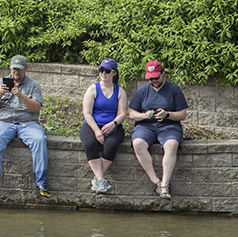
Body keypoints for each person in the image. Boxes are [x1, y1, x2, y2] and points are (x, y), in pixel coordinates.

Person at [0, 54, 49, 198]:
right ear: (10, 68)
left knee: (39, 140)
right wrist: (0, 94)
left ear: (26, 69)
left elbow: (36, 108)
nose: (16, 73)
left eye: (19, 70)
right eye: (14, 69)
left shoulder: (34, 85)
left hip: (28, 123)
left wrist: (20, 95)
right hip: (3, 121)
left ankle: (41, 182)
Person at [128, 60, 188, 200]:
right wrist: (144, 115)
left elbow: (182, 115)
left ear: (163, 73)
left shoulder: (174, 89)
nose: (153, 81)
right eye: (150, 78)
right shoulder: (142, 90)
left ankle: (165, 185)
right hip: (145, 126)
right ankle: (156, 181)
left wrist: (167, 114)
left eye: (156, 77)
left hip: (169, 126)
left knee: (171, 145)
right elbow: (132, 114)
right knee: (137, 144)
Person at [80, 58, 127, 194]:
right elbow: (87, 113)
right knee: (89, 144)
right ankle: (101, 179)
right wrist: (96, 130)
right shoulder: (93, 89)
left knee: (112, 144)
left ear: (114, 73)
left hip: (112, 125)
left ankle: (97, 179)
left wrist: (113, 124)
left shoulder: (120, 92)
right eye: (101, 70)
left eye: (107, 71)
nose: (103, 73)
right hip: (92, 124)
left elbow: (122, 113)